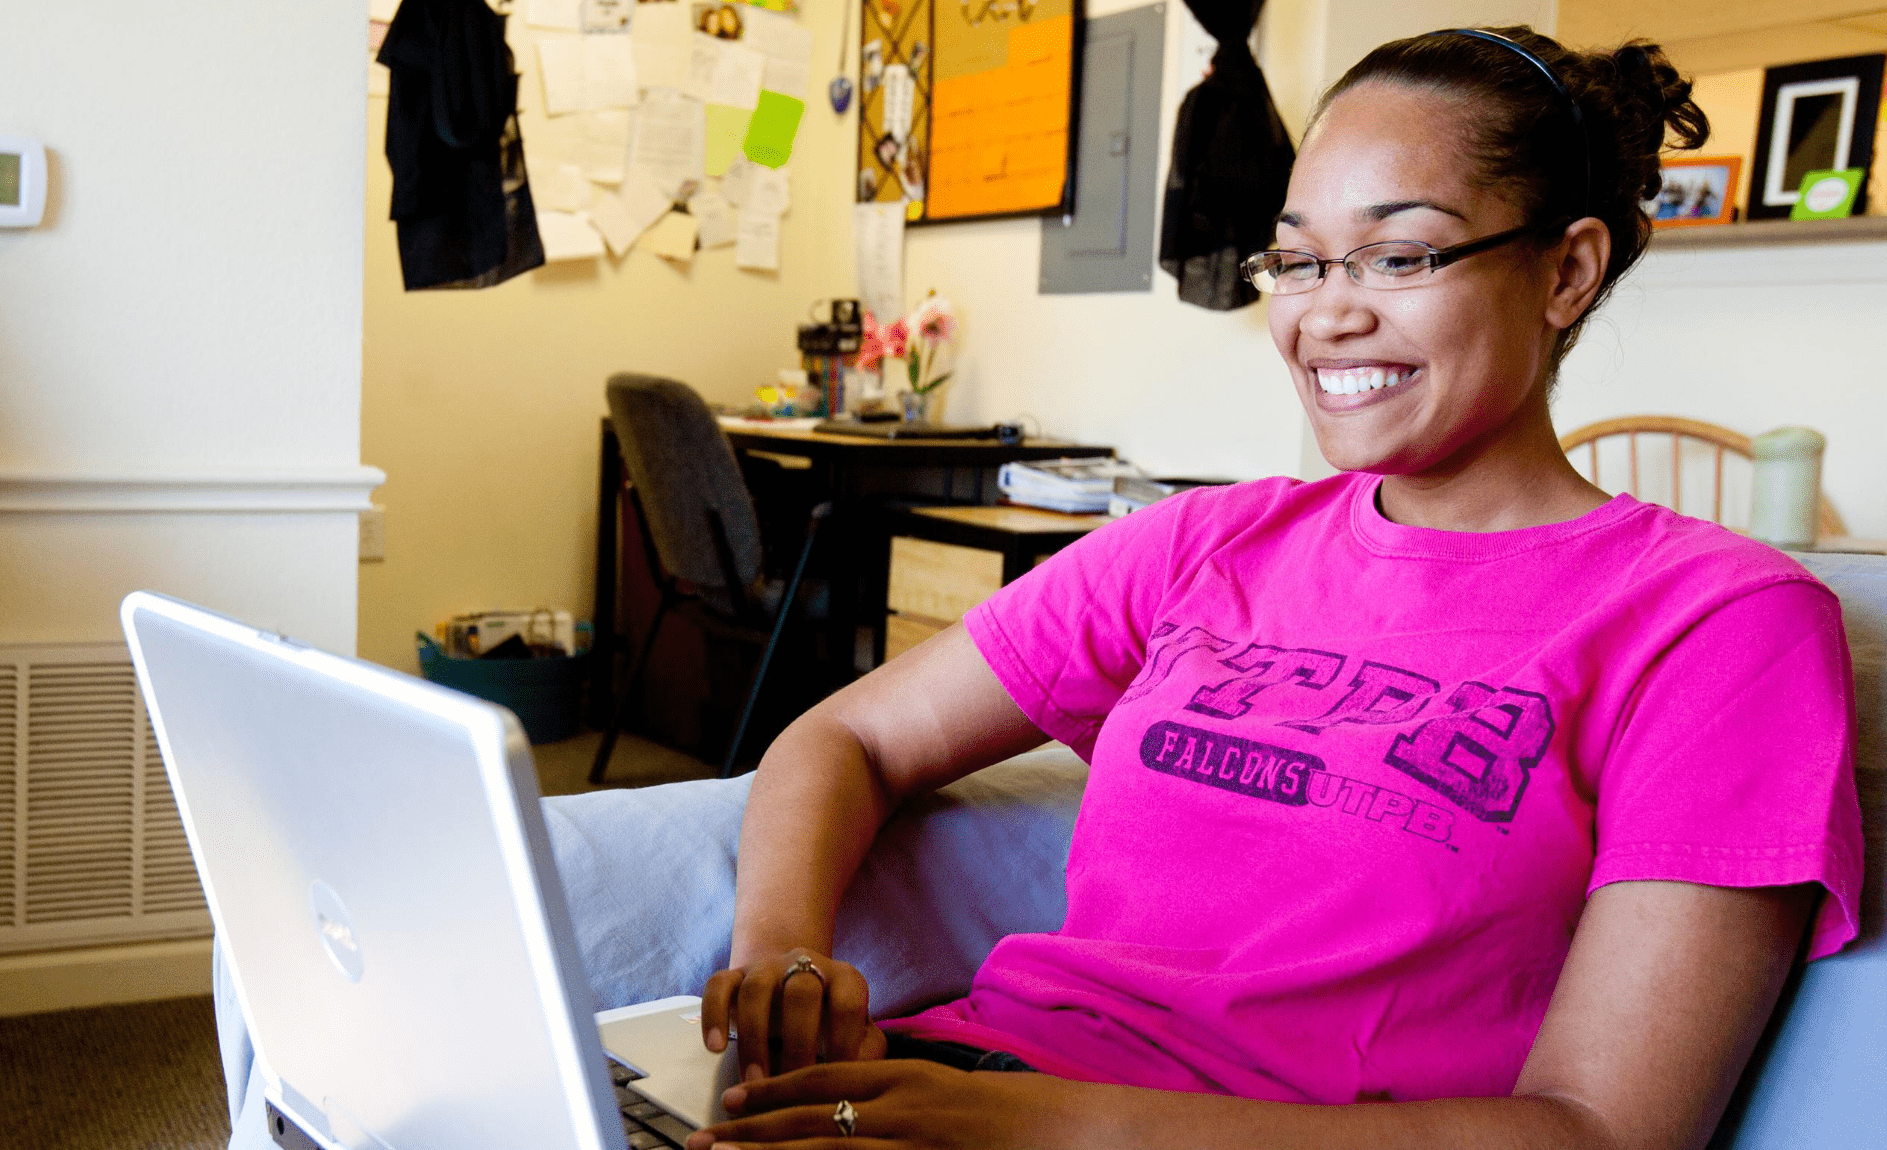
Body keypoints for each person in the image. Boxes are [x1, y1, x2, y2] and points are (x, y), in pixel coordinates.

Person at [685, 27, 1861, 1150]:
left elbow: (1603, 1128)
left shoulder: (1716, 623)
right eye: (1294, 260)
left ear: (1566, 270)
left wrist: (1036, 1127)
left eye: (1397, 255)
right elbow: (844, 737)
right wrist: (782, 966)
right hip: (953, 1088)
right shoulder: (1203, 538)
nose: (1324, 313)